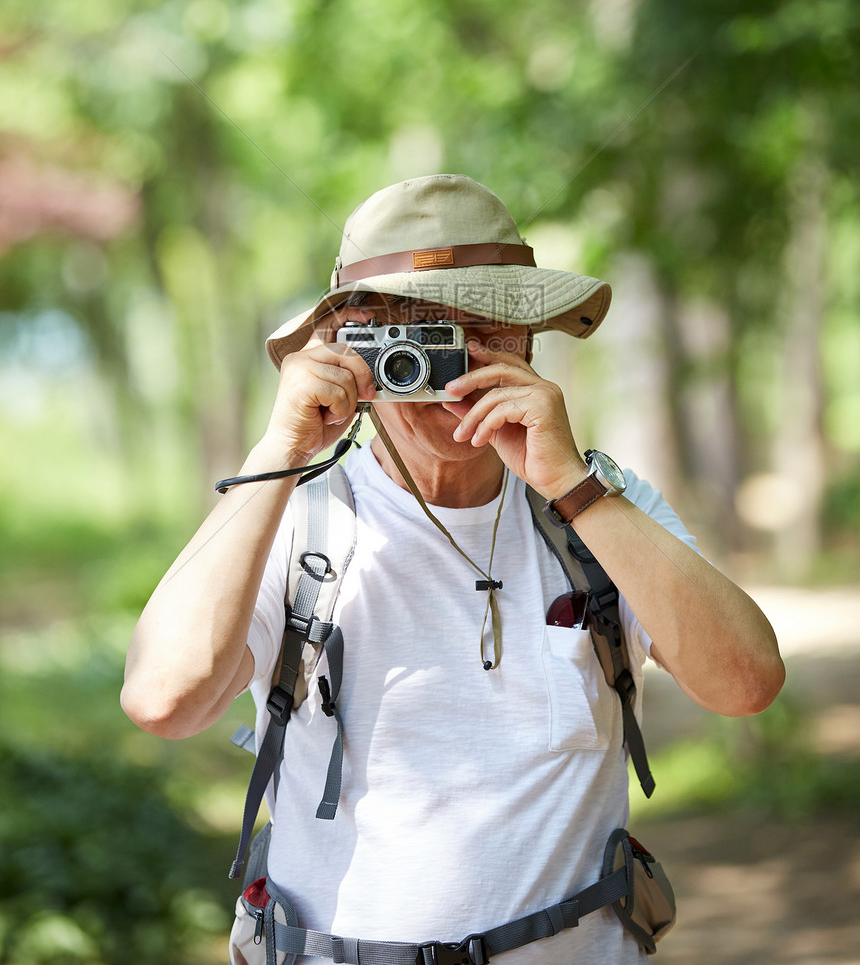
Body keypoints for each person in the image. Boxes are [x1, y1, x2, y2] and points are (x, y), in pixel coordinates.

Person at [121, 173, 785, 964]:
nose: (449, 363)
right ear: (351, 346)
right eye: (415, 332)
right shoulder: (291, 515)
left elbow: (745, 684)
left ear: (532, 337)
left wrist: (572, 487)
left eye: (486, 327)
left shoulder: (602, 506)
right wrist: (280, 453)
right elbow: (165, 700)